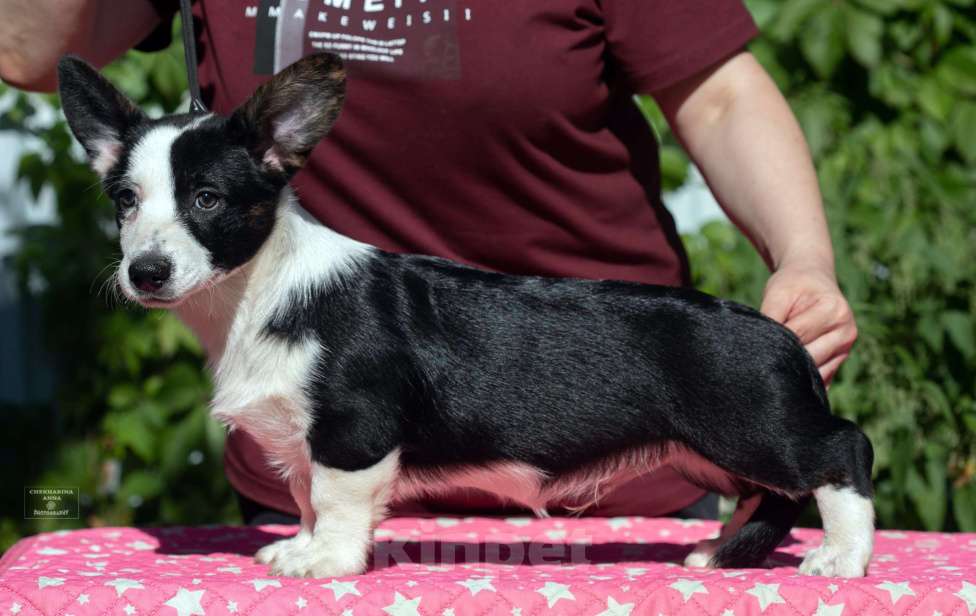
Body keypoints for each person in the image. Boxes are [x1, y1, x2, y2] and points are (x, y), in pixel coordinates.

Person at [0, 0, 857, 525]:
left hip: (606, 445)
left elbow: (722, 92)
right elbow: (27, 49)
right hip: (318, 479)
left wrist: (805, 256)